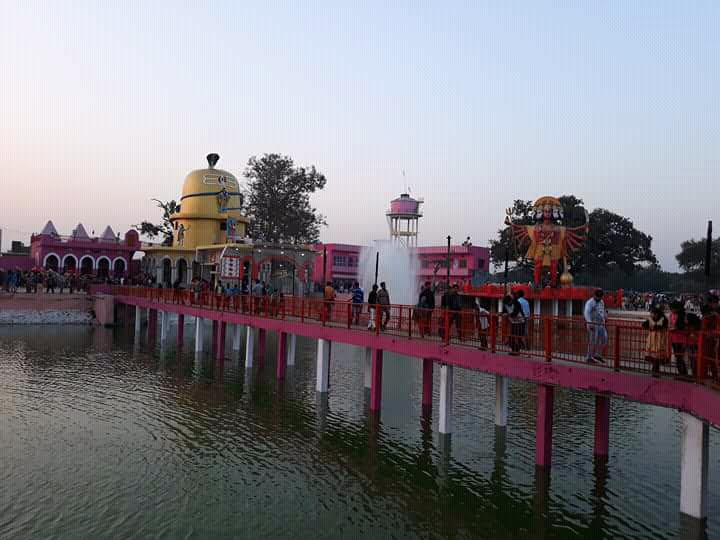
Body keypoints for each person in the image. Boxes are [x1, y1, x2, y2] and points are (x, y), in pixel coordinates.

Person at [643, 306, 669, 375]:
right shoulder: (650, 319)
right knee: (653, 355)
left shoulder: (663, 319)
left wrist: (653, 327)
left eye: (652, 313)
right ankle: (655, 371)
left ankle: (655, 371)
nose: (651, 314)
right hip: (652, 340)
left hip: (659, 340)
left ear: (656, 314)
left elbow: (661, 327)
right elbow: (644, 325)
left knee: (657, 355)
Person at [584, 289, 608, 363]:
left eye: (600, 297)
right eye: (598, 296)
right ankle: (589, 357)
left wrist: (605, 317)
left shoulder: (601, 302)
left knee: (604, 338)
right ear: (594, 295)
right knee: (592, 341)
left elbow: (603, 310)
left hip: (601, 323)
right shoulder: (590, 302)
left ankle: (597, 354)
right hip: (593, 324)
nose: (599, 298)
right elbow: (586, 313)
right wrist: (589, 323)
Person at [669, 301, 689, 377]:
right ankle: (682, 373)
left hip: (681, 339)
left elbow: (684, 326)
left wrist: (676, 328)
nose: (671, 310)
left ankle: (683, 373)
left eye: (672, 308)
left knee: (680, 357)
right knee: (678, 356)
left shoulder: (683, 315)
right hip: (674, 338)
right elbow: (670, 324)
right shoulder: (671, 315)